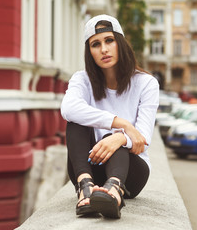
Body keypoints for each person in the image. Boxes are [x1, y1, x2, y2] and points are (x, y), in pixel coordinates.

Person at [60, 14, 159, 219]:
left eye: (109, 40)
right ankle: (85, 189)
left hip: (132, 172)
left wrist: (120, 137)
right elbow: (68, 108)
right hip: (89, 166)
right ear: (90, 52)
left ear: (120, 43)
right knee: (75, 123)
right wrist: (121, 123)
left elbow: (143, 140)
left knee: (112, 139)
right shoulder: (82, 79)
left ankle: (114, 194)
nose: (104, 49)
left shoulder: (146, 83)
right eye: (95, 44)